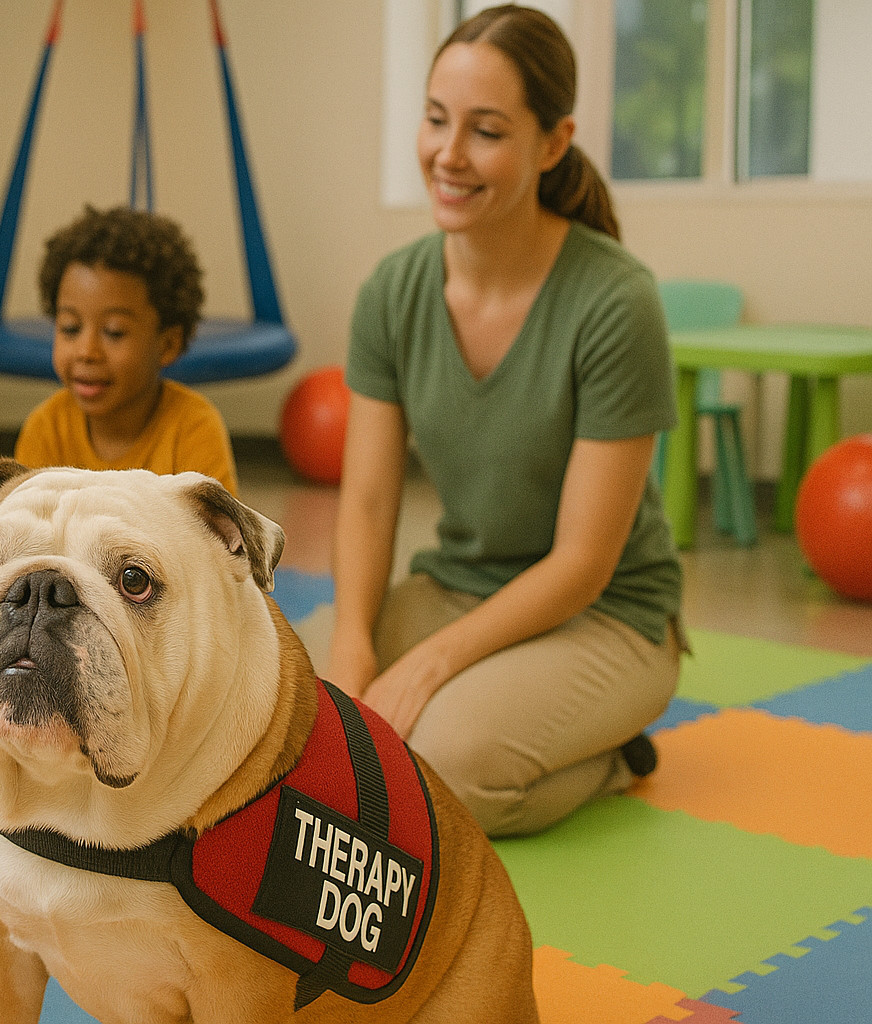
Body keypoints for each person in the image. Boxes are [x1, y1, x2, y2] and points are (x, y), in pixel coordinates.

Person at [328, 5, 683, 838]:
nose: (448, 155)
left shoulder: (616, 302)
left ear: (552, 144)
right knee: (275, 701)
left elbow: (585, 562)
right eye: (436, 120)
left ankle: (611, 758)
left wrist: (426, 665)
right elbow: (370, 500)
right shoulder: (392, 290)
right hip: (456, 587)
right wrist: (352, 643)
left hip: (607, 616)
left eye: (485, 131)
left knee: (445, 768)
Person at [14, 205, 239, 494]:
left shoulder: (194, 427)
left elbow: (217, 534)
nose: (86, 351)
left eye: (114, 332)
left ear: (167, 344)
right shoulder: (46, 428)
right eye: (70, 328)